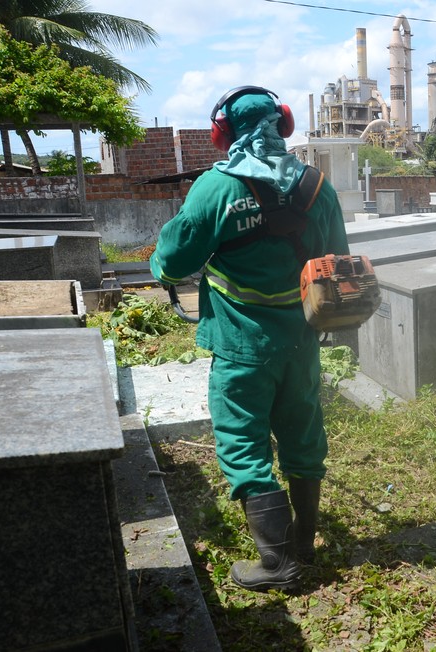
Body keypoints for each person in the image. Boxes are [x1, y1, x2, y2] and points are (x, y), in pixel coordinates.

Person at [150, 86, 349, 592]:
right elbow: (337, 260)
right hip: (302, 339)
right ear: (281, 124)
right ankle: (304, 543)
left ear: (223, 133)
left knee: (244, 443)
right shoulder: (315, 185)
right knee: (303, 434)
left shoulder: (214, 189)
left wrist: (158, 263)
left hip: (241, 347)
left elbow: (172, 261)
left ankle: (278, 564)